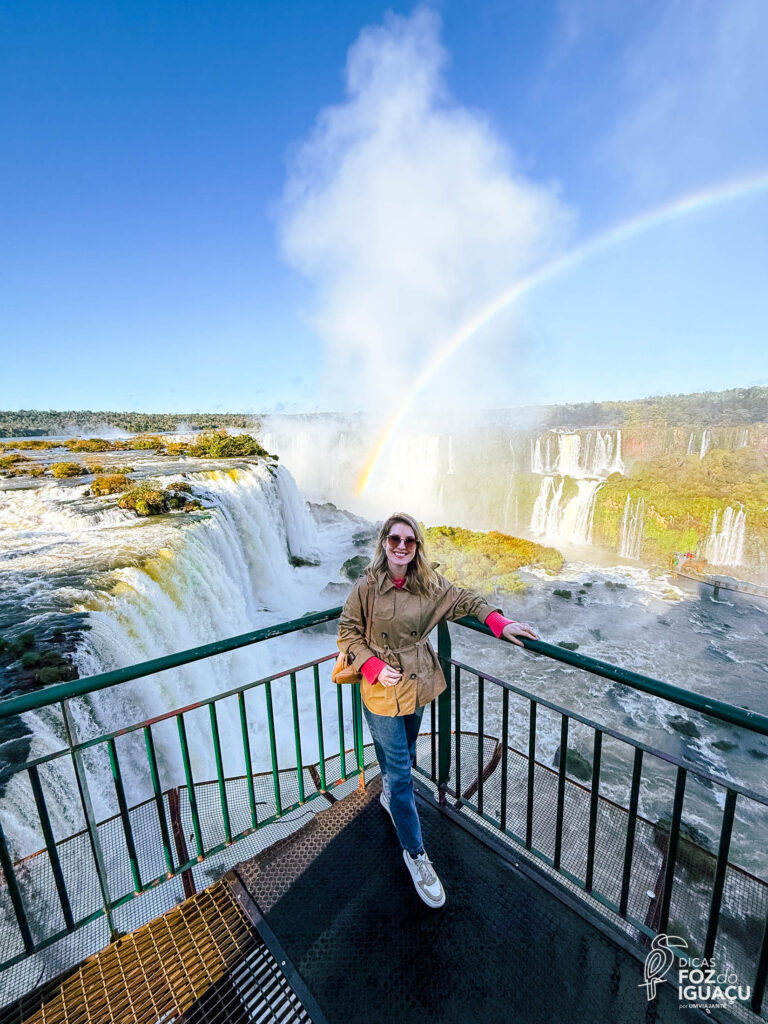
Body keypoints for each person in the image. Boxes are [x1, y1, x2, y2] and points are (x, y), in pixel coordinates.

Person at [336, 512, 539, 909]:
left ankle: (391, 796)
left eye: (408, 541)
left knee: (405, 758)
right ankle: (416, 855)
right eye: (394, 539)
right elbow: (347, 632)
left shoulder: (429, 585)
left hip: (416, 683)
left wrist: (499, 622)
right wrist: (373, 665)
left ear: (416, 548)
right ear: (383, 543)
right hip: (381, 688)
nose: (400, 546)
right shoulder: (365, 588)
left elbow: (465, 600)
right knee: (401, 773)